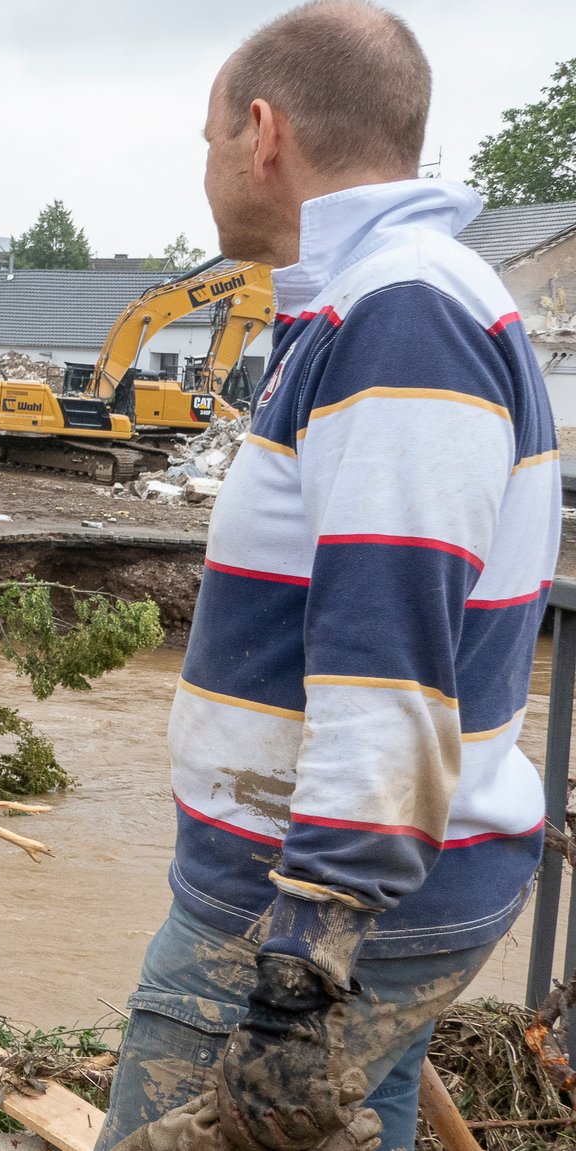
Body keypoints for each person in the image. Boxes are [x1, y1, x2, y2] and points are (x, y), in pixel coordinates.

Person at [97, 5, 558, 1150]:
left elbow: (384, 659)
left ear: (262, 133)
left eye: (207, 139)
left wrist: (302, 967)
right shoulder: (379, 305)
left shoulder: (400, 318)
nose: (207, 167)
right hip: (360, 887)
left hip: (293, 909)